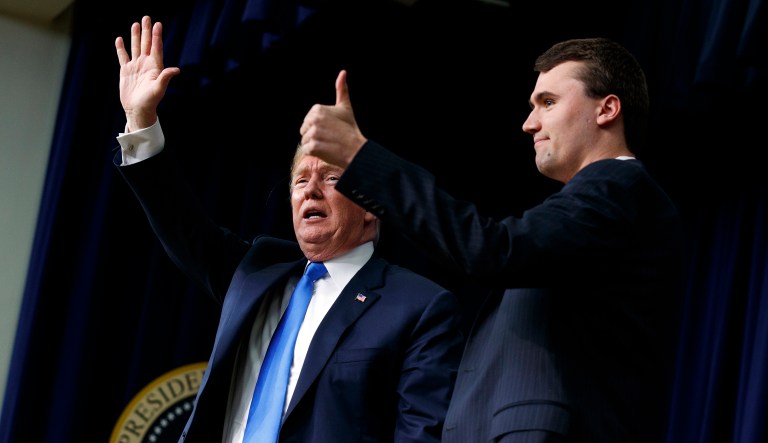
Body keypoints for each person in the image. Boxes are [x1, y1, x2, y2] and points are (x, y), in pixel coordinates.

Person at [300, 38, 685, 442]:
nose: (529, 123)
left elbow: (492, 250)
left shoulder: (619, 186)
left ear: (606, 109)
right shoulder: (601, 204)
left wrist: (360, 157)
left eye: (548, 102)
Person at [112, 16, 464, 443]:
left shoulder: (419, 306)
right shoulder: (256, 270)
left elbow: (420, 433)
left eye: (333, 179)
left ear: (373, 208)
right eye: (300, 180)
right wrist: (141, 119)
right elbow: (178, 220)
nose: (311, 189)